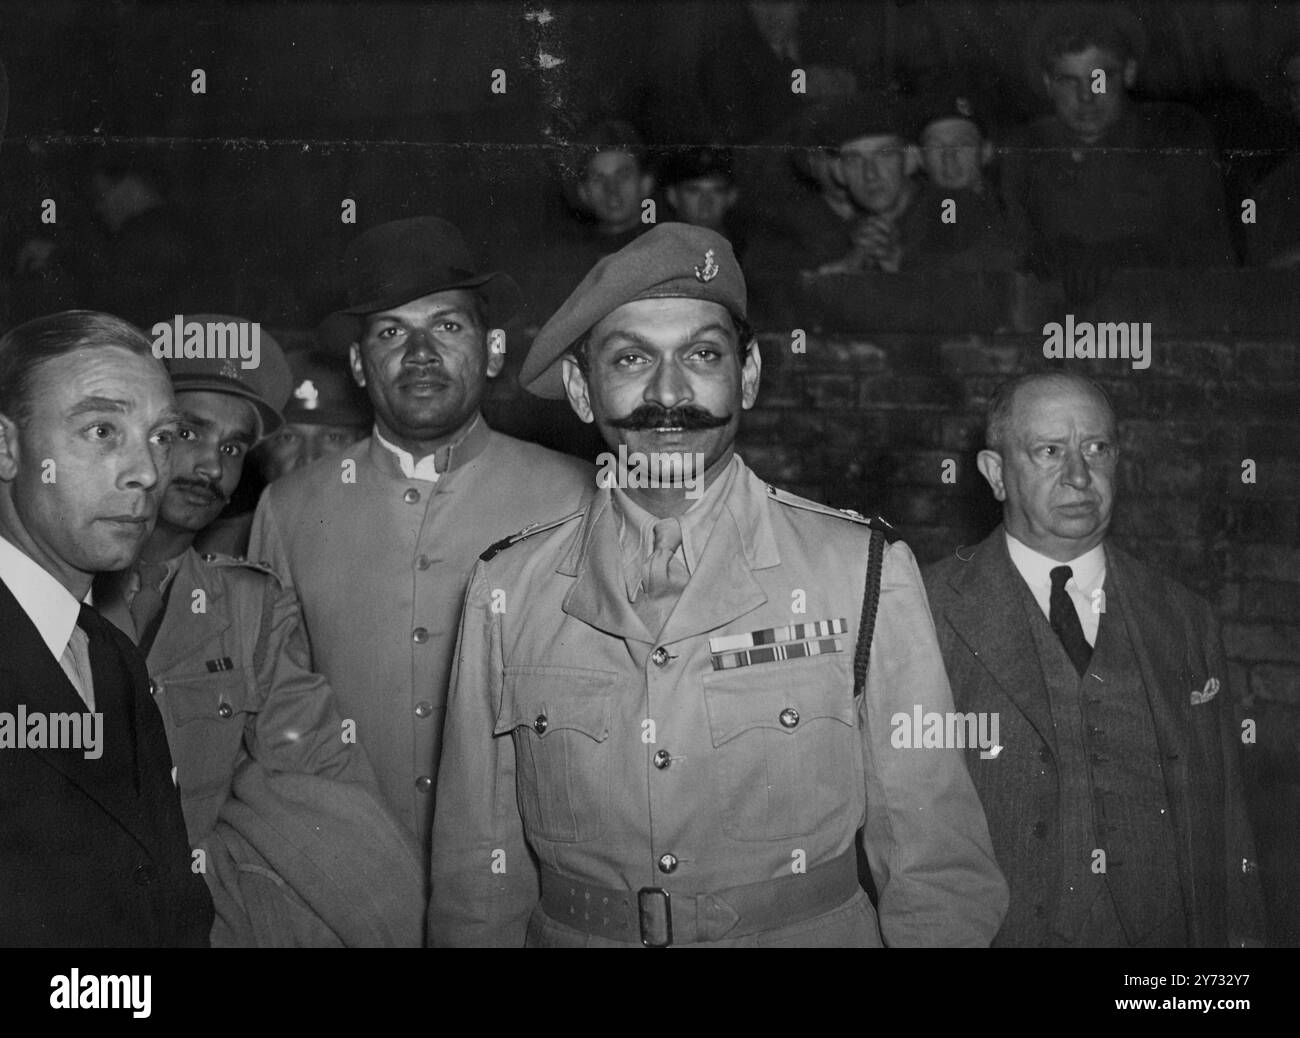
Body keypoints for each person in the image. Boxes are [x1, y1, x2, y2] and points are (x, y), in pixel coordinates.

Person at [429, 223, 1007, 947]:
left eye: (702, 354)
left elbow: (936, 867)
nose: (669, 392)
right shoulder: (507, 589)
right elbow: (477, 883)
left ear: (750, 375)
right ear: (581, 389)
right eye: (632, 358)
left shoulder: (859, 571)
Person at [249, 217, 594, 871]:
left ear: (492, 352)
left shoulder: (575, 498)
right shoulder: (291, 509)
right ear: (358, 363)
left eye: (447, 325)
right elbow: (272, 712)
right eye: (390, 332)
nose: (420, 353)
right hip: (349, 882)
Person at [95, 316, 422, 947]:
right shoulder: (45, 591)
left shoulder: (249, 607)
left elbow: (319, 770)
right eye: (187, 431)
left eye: (234, 447)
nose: (210, 468)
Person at [923, 373, 1266, 948]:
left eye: (1096, 449)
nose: (1079, 476)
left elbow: (1228, 824)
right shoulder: (925, 611)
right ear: (995, 473)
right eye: (1050, 451)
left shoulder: (1184, 618)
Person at [0, 310, 213, 946]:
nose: (147, 472)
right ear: (8, 448)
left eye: (162, 436)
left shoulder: (107, 652)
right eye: (102, 429)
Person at [1000, 3, 1235, 283]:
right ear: (1048, 83)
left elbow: (1212, 253)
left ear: (1128, 72)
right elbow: (1009, 254)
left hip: (1164, 316)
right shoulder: (1026, 149)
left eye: (1098, 79)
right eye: (1069, 81)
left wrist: (1125, 256)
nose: (1086, 97)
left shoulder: (1175, 132)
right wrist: (1042, 258)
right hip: (1061, 321)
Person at [196, 327, 371, 557]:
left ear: (361, 443)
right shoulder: (217, 550)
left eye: (333, 437)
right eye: (288, 438)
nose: (309, 459)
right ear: (262, 451)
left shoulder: (392, 540)